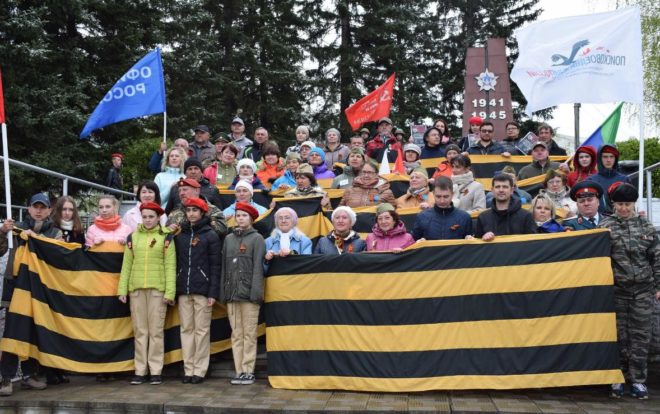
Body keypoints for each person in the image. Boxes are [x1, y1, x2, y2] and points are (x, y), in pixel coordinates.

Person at [598, 183, 659, 399]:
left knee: (641, 336)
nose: (624, 208)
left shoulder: (646, 226)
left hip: (643, 290)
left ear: (634, 204)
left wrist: (658, 286)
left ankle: (638, 380)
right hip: (617, 291)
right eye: (620, 204)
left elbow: (657, 257)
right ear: (613, 205)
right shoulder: (606, 227)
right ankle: (618, 378)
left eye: (628, 204)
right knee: (618, 336)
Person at [0, 193, 61, 396]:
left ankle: (29, 375)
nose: (38, 211)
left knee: (35, 331)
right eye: (35, 207)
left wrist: (39, 240)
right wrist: (2, 232)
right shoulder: (14, 228)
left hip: (40, 289)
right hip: (15, 286)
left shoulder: (55, 233)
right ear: (28, 209)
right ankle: (6, 378)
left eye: (43, 207)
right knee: (12, 332)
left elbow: (57, 258)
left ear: (49, 210)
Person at [118, 202, 175, 386]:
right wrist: (122, 289)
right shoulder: (133, 237)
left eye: (151, 217)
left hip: (157, 289)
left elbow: (170, 265)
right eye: (145, 217)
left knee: (156, 332)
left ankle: (156, 370)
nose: (148, 220)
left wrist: (170, 292)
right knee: (140, 332)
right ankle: (140, 370)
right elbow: (127, 265)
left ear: (158, 218)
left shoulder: (166, 237)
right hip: (136, 290)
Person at [174, 197, 220, 385]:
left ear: (202, 212)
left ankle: (200, 370)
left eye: (195, 210)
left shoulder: (210, 235)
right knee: (186, 330)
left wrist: (213, 292)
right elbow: (175, 262)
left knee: (201, 331)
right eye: (188, 210)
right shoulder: (180, 234)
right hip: (183, 290)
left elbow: (216, 265)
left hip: (203, 290)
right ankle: (188, 368)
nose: (191, 214)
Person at [220, 202, 265, 386]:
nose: (240, 218)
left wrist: (256, 294)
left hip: (249, 295)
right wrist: (224, 292)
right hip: (232, 294)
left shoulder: (257, 239)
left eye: (244, 215)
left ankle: (248, 370)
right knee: (236, 334)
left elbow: (258, 268)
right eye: (238, 215)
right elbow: (224, 267)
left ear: (251, 219)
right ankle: (239, 370)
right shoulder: (228, 239)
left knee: (249, 334)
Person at [474, 174, 537, 241]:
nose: (501, 190)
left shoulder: (526, 216)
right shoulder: (483, 217)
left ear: (512, 190)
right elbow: (478, 245)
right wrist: (483, 238)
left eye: (505, 187)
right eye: (497, 187)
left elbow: (533, 243)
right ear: (492, 190)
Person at [587, 144, 630, 214]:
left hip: (620, 217)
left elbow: (630, 204)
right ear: (600, 158)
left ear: (615, 159)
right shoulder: (591, 180)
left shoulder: (624, 179)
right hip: (599, 218)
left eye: (611, 157)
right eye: (605, 157)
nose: (608, 160)